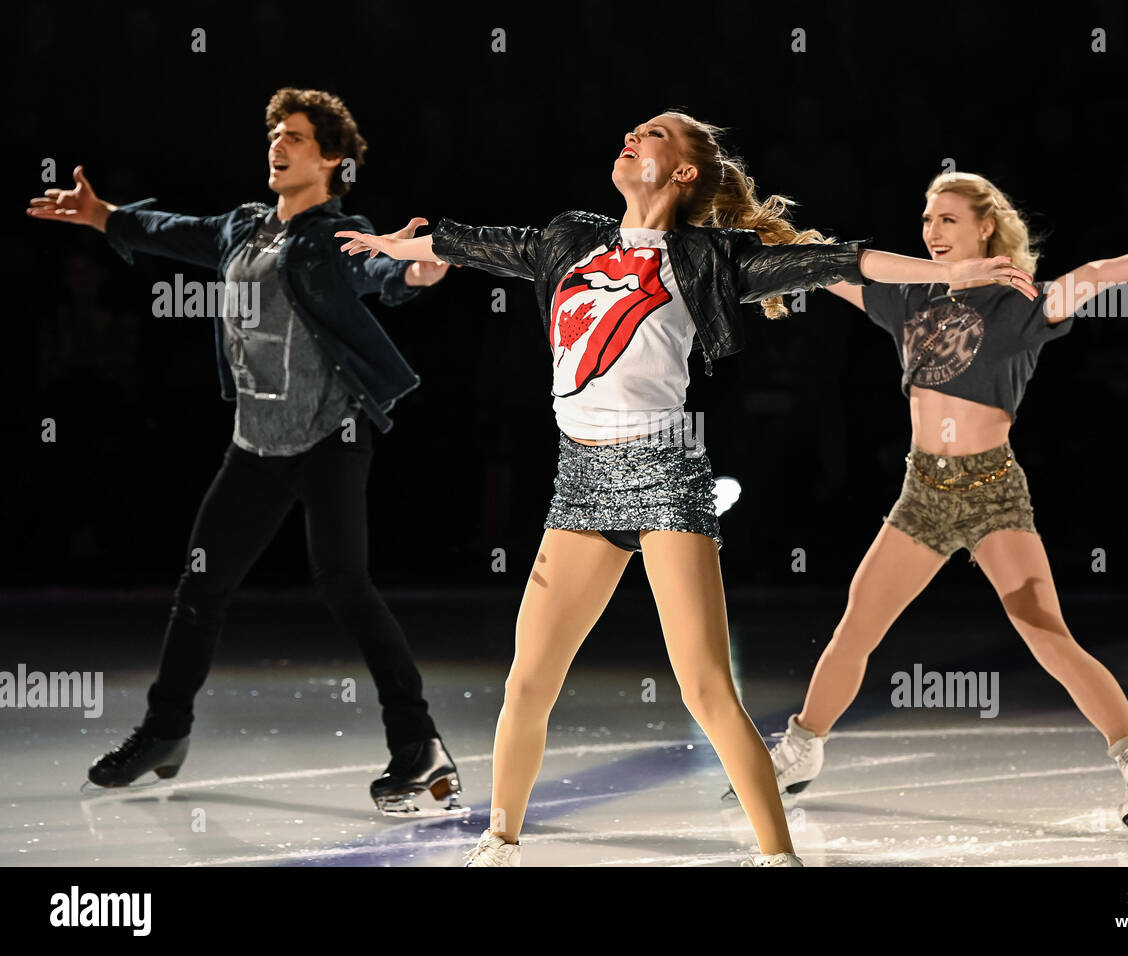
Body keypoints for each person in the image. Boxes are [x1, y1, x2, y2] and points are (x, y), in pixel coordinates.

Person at [336, 116, 1034, 864]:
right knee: (528, 680)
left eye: (656, 134)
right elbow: (471, 243)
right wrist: (394, 247)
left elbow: (844, 259)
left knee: (705, 688)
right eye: (636, 129)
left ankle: (778, 856)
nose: (634, 135)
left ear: (684, 174)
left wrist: (948, 273)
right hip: (580, 478)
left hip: (666, 473)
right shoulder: (571, 238)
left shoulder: (706, 256)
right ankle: (501, 843)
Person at [752, 170, 1128, 833]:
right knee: (858, 625)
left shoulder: (1019, 304)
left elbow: (1102, 272)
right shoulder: (909, 298)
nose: (933, 232)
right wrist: (760, 234)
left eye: (949, 220)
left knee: (1044, 630)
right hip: (922, 491)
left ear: (985, 226)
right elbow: (825, 270)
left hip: (991, 488)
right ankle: (801, 750)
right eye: (928, 219)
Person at [28, 87, 465, 817]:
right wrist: (105, 215)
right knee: (200, 589)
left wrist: (419, 268)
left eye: (293, 136)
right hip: (256, 442)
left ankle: (418, 746)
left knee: (345, 586)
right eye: (273, 133)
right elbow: (176, 229)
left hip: (330, 436)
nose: (277, 145)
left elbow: (383, 273)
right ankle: (165, 732)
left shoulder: (332, 236)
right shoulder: (244, 228)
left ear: (332, 160)